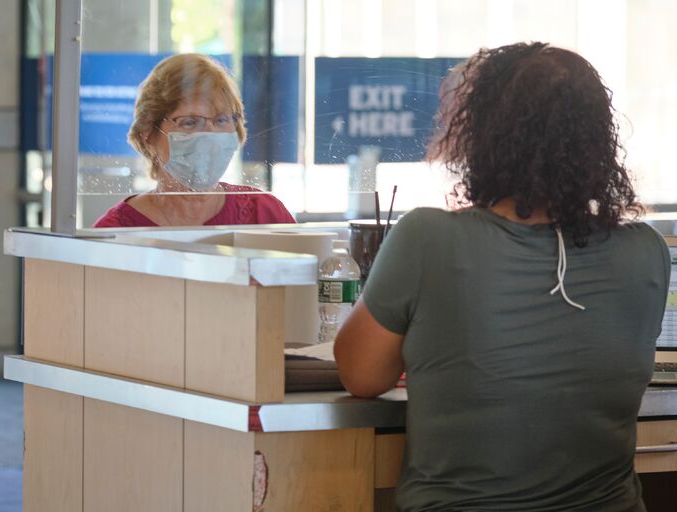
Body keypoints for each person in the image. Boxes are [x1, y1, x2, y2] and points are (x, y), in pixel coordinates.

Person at [334, 42, 670, 512]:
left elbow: (362, 375)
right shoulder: (647, 252)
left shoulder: (427, 238)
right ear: (598, 140)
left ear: (483, 135)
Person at [94, 53, 294, 227]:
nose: (209, 134)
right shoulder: (116, 232)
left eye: (221, 120)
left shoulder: (265, 214)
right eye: (189, 122)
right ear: (148, 133)